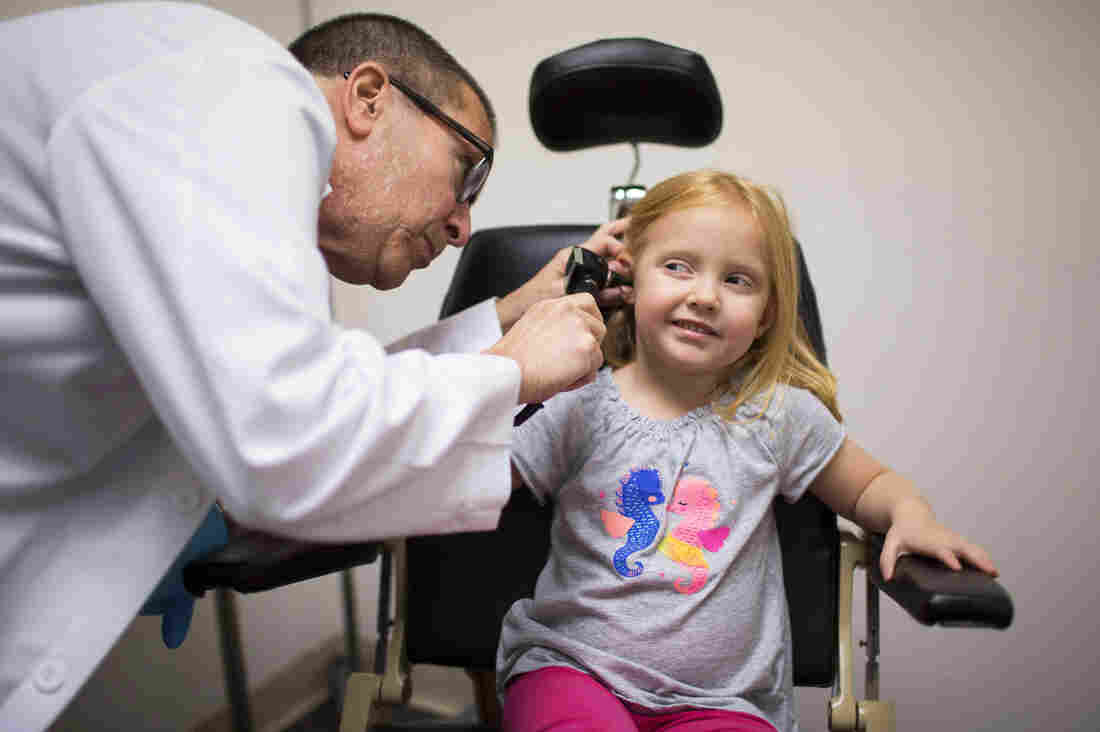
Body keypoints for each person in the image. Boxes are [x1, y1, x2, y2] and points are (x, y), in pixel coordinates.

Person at [0, 5, 628, 729]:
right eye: (467, 169)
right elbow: (292, 427)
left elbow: (309, 391)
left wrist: (506, 318)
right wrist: (515, 370)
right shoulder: (241, 92)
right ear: (368, 96)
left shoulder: (199, 120)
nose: (462, 226)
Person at [497, 170, 998, 732]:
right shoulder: (577, 401)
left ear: (765, 313)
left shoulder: (776, 415)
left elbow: (869, 485)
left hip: (720, 704)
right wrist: (511, 367)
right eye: (677, 267)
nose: (704, 296)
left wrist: (912, 514)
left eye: (737, 280)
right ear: (630, 277)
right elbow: (467, 478)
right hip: (573, 671)